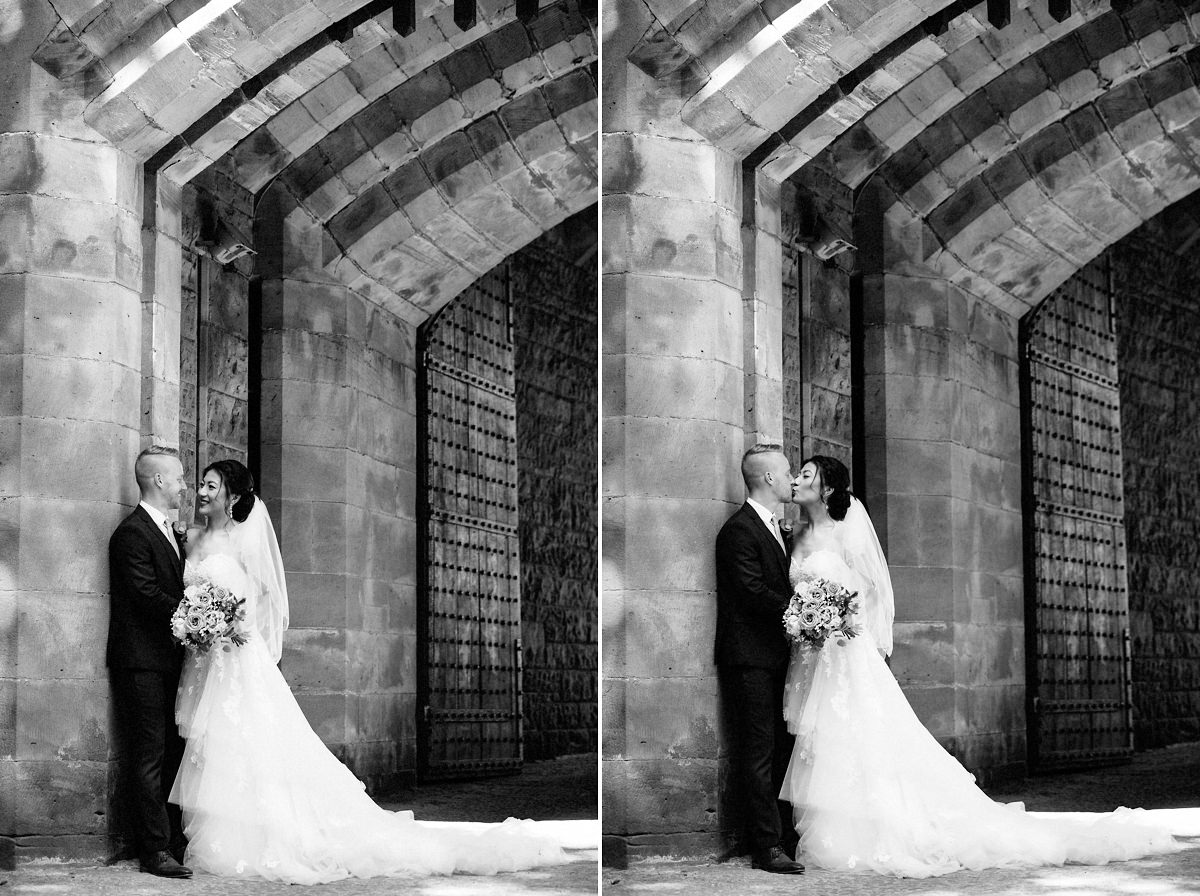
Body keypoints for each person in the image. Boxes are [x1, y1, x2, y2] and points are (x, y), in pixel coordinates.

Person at [170, 459, 571, 883]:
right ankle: (218, 831)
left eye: (210, 485)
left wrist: (230, 622)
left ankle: (257, 836)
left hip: (235, 660)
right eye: (200, 483)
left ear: (232, 496)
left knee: (245, 740)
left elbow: (265, 597)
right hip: (202, 663)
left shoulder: (244, 542)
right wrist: (197, 623)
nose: (201, 491)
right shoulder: (191, 538)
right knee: (213, 744)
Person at [781, 455, 1183, 877]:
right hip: (810, 658)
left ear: (826, 488)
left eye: (805, 474)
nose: (796, 480)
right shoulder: (796, 532)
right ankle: (830, 826)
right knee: (824, 740)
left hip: (845, 657)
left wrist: (841, 618)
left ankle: (869, 830)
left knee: (854, 737)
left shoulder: (847, 532)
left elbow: (873, 593)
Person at [714, 444, 805, 874]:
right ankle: (766, 847)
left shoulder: (773, 527)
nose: (792, 479)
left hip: (776, 658)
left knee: (782, 748)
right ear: (768, 478)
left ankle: (784, 836)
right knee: (758, 752)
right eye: (787, 472)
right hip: (749, 659)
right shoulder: (739, 530)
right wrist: (802, 611)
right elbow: (751, 592)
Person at [108, 445, 193, 879]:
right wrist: (193, 616)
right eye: (178, 477)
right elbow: (144, 593)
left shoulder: (166, 530)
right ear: (158, 480)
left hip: (167, 661)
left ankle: (173, 840)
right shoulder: (132, 534)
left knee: (172, 750)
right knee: (149, 754)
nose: (184, 484)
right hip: (141, 663)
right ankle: (153, 851)